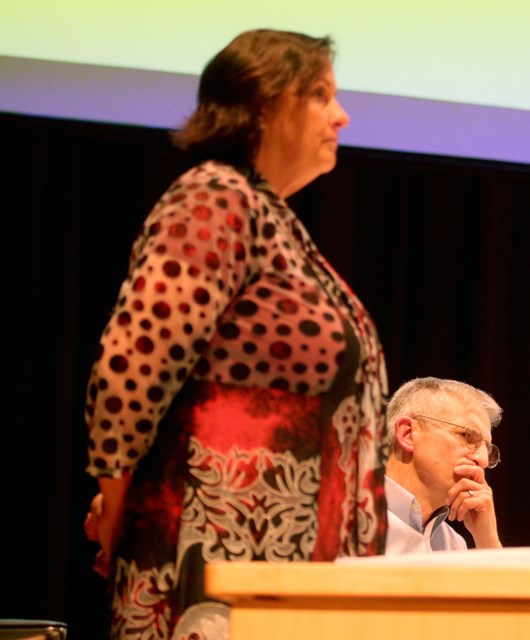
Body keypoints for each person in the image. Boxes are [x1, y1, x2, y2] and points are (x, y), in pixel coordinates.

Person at [83, 29, 388, 638]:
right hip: (210, 566)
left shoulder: (272, 219)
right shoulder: (213, 198)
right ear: (268, 102)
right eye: (322, 95)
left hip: (282, 571)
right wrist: (118, 502)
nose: (342, 115)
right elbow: (131, 367)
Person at [384, 377, 503, 553]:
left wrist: (487, 541)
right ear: (408, 434)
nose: (483, 460)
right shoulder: (344, 520)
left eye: (487, 449)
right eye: (468, 436)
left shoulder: (453, 545)